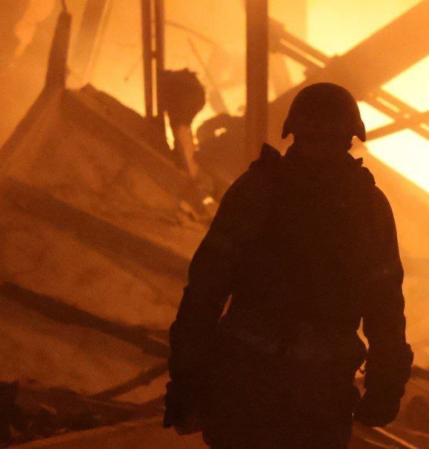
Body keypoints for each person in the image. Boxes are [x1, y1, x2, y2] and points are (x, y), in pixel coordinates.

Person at [165, 83, 413, 448]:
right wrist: (186, 378)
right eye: (316, 139)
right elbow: (204, 291)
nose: (321, 151)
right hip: (286, 396)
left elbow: (204, 292)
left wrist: (187, 379)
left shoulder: (261, 191)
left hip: (270, 394)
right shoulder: (362, 207)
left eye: (327, 140)